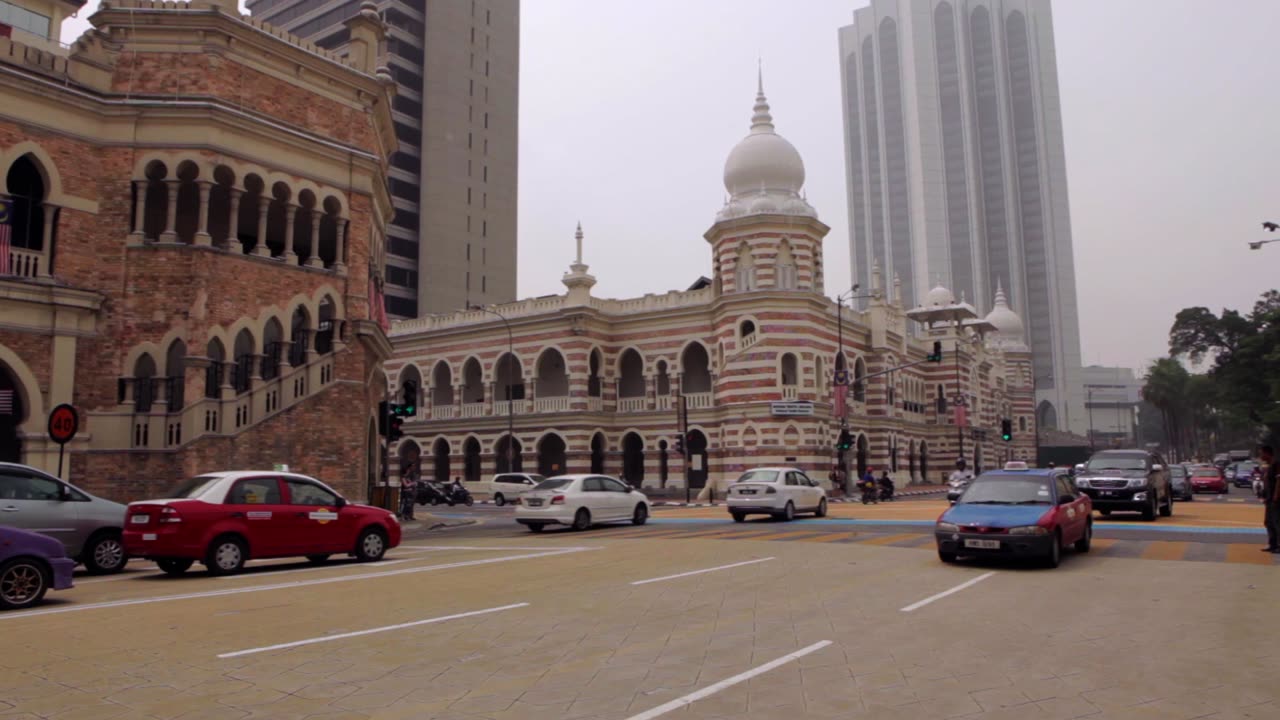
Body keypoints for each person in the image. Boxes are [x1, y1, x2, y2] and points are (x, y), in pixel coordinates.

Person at [1260, 446, 1279, 552]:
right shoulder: (1269, 466)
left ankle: (1278, 545)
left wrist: (1276, 496)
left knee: (1277, 522)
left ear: (1267, 454)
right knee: (1268, 522)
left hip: (1275, 499)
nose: (1260, 456)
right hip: (1269, 499)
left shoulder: (1276, 464)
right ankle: (1273, 544)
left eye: (1261, 453)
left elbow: (1278, 481)